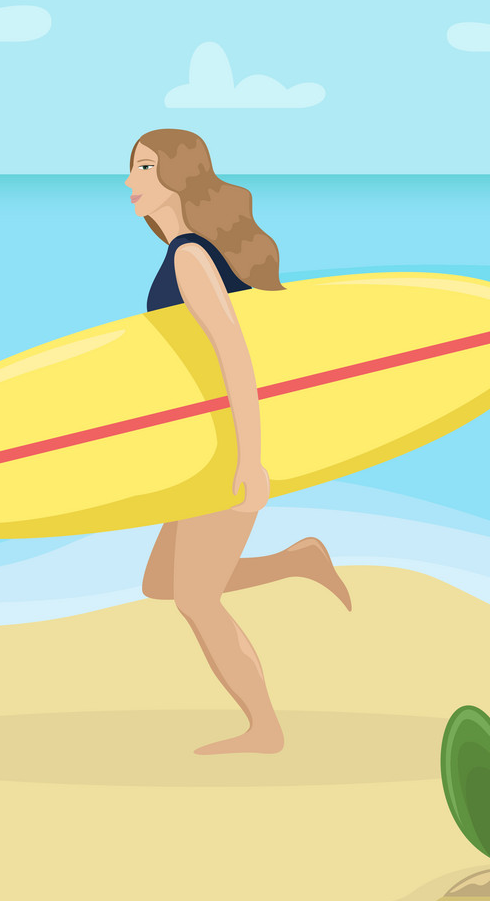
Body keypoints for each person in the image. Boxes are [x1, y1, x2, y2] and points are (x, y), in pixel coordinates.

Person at [126, 129, 351, 755]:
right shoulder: (186, 253)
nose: (131, 181)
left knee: (195, 597)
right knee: (160, 582)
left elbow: (236, 359)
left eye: (143, 167)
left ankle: (264, 727)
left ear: (178, 175)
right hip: (202, 445)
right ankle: (299, 560)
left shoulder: (190, 258)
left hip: (226, 446)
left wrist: (249, 459)